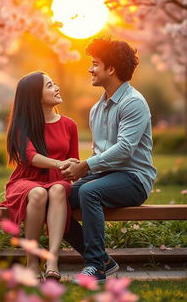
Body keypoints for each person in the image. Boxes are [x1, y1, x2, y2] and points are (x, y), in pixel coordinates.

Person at [62, 37, 157, 282]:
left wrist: (87, 167)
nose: (90, 69)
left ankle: (95, 267)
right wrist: (81, 166)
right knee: (58, 198)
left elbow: (125, 149)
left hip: (134, 179)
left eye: (95, 63)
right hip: (105, 176)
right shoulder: (98, 108)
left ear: (111, 69)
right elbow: (100, 154)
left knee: (89, 192)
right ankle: (102, 258)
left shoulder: (133, 103)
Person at [0, 72, 79, 281]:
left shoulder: (69, 124)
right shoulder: (22, 124)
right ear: (36, 96)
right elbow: (30, 157)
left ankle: (52, 259)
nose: (56, 88)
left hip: (57, 179)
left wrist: (73, 167)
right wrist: (59, 163)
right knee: (37, 193)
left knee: (58, 189)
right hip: (26, 179)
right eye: (50, 86)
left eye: (54, 83)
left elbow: (73, 160)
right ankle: (32, 259)